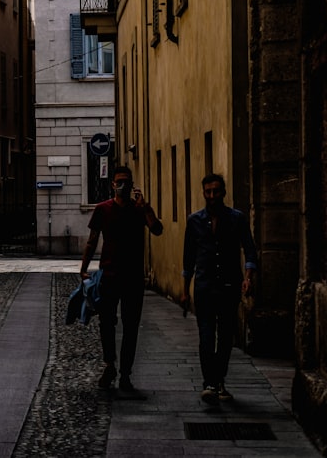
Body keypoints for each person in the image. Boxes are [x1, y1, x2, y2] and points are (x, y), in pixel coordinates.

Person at [80, 165, 164, 391]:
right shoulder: (103, 209)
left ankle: (126, 374)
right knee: (106, 323)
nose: (123, 186)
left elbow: (157, 229)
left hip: (134, 278)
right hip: (109, 275)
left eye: (127, 182)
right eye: (119, 182)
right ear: (112, 184)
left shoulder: (139, 210)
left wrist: (147, 209)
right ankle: (110, 364)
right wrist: (83, 268)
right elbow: (92, 240)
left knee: (131, 326)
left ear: (132, 184)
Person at [180, 173, 258, 405]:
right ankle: (210, 384)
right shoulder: (194, 221)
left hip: (229, 286)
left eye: (216, 191)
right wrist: (185, 290)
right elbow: (188, 259)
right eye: (208, 192)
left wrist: (248, 277)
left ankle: (219, 380)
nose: (212, 196)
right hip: (204, 286)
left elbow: (250, 249)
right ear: (203, 193)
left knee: (225, 338)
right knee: (205, 337)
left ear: (223, 192)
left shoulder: (237, 219)